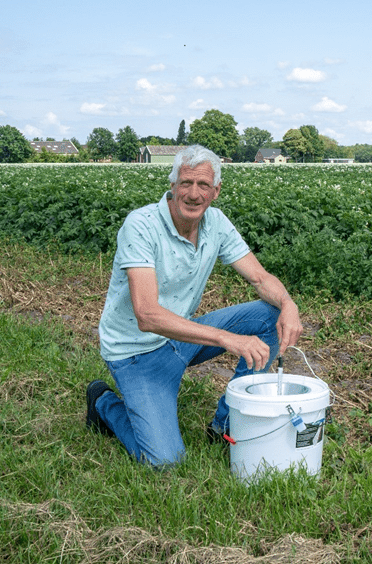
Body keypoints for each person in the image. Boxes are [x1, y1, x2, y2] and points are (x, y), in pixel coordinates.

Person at [85, 144, 302, 467]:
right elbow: (147, 315)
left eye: (203, 185)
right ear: (172, 186)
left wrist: (288, 303)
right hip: (136, 354)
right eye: (186, 183)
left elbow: (259, 277)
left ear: (216, 191)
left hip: (179, 339)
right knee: (164, 461)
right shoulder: (141, 226)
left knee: (270, 315)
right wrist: (225, 338)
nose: (193, 193)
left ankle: (226, 424)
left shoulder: (216, 223)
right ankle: (104, 402)